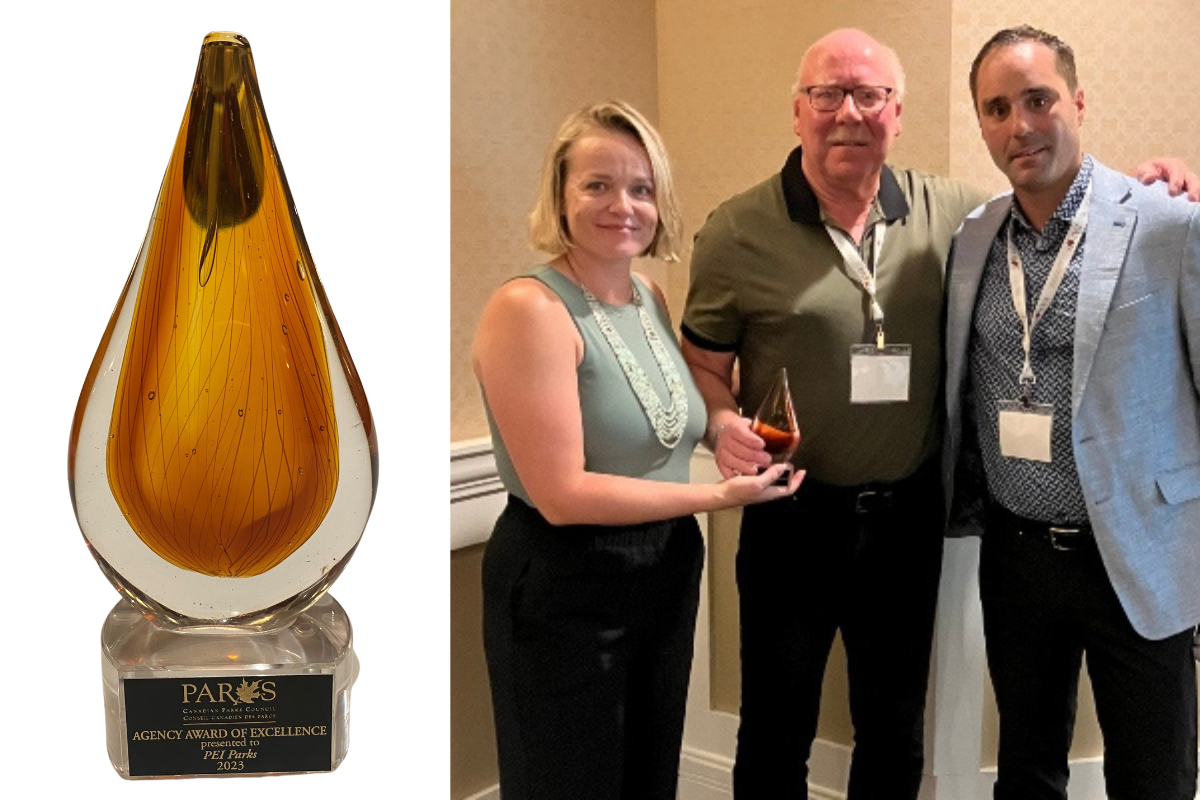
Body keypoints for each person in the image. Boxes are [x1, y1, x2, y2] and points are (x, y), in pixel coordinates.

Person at [680, 27, 1198, 800]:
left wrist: (1171, 179)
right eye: (827, 94)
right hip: (817, 521)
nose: (848, 112)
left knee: (902, 731)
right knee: (783, 728)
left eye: (870, 95)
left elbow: (1099, 226)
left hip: (943, 528)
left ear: (898, 112)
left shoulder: (985, 217)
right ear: (798, 111)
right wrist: (721, 422)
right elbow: (703, 366)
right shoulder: (746, 230)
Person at [472, 100, 803, 800]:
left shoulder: (649, 296)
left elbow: (668, 421)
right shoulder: (529, 309)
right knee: (568, 781)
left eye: (641, 188)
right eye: (596, 184)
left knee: (648, 775)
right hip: (565, 579)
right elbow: (563, 496)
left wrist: (723, 432)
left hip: (665, 567)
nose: (621, 204)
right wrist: (719, 496)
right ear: (560, 196)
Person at [942, 25, 1199, 800]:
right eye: (997, 108)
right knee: (1026, 767)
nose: (1020, 125)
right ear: (982, 123)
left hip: (1137, 552)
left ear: (1077, 102)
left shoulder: (1168, 223)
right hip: (1018, 555)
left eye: (1039, 99)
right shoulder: (973, 238)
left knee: (1152, 774)